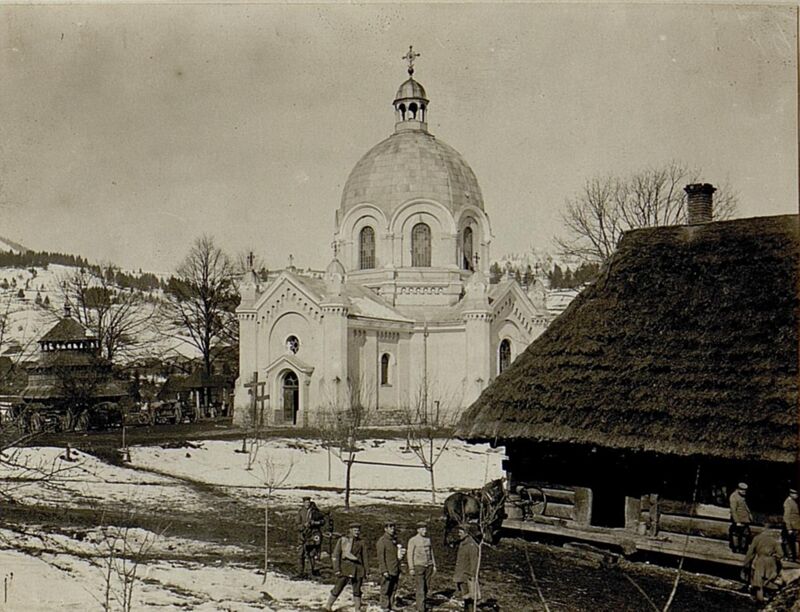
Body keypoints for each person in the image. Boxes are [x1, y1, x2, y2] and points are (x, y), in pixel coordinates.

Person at [324, 523, 368, 612]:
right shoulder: (343, 540)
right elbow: (336, 555)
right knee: (338, 587)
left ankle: (357, 609)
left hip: (357, 569)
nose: (357, 532)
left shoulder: (361, 542)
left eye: (358, 530)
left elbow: (365, 557)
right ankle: (328, 606)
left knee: (357, 590)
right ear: (350, 530)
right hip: (345, 569)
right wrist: (336, 569)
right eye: (355, 530)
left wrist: (366, 570)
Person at [743, 526, 783, 602]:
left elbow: (750, 552)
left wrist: (746, 563)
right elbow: (781, 554)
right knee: (770, 579)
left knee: (759, 583)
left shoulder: (757, 538)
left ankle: (760, 600)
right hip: (771, 561)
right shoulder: (774, 540)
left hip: (760, 561)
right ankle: (771, 598)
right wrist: (774, 557)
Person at [407, 521, 436, 612]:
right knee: (420, 588)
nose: (425, 531)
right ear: (418, 530)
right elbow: (409, 554)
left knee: (426, 587)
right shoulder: (413, 540)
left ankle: (423, 604)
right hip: (419, 566)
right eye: (423, 529)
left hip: (429, 566)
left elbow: (431, 553)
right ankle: (421, 608)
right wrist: (411, 567)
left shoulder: (428, 540)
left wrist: (434, 565)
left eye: (425, 528)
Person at [296, 496, 326, 577]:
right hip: (303, 535)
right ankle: (300, 572)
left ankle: (310, 571)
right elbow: (297, 524)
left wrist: (315, 523)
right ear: (303, 503)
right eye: (305, 502)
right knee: (300, 554)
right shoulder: (300, 512)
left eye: (308, 502)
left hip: (313, 534)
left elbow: (323, 521)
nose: (307, 504)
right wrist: (303, 526)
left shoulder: (315, 511)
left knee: (312, 554)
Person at [376, 521, 402, 611]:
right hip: (387, 570)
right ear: (385, 529)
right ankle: (385, 606)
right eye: (390, 527)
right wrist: (384, 571)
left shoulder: (394, 540)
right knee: (385, 589)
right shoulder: (382, 541)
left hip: (395, 568)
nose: (392, 529)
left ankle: (391, 604)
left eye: (393, 527)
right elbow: (381, 558)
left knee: (394, 588)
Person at [453, 526, 479, 612]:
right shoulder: (463, 543)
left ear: (466, 533)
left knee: (469, 598)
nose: (458, 534)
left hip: (466, 576)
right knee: (466, 599)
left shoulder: (471, 545)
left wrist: (472, 576)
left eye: (460, 532)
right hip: (461, 575)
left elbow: (474, 562)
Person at [729, 482, 753, 554]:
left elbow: (745, 507)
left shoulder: (741, 496)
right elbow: (733, 510)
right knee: (736, 534)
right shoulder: (734, 497)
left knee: (745, 535)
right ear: (738, 489)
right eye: (742, 490)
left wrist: (749, 516)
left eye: (745, 490)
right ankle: (736, 548)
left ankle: (742, 549)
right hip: (739, 520)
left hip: (744, 520)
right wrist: (737, 521)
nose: (744, 492)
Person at [782, 488, 800, 561]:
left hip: (795, 526)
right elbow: (786, 516)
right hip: (791, 526)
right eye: (796, 494)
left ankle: (794, 557)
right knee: (789, 542)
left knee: (794, 542)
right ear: (791, 494)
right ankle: (791, 557)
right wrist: (789, 528)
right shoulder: (788, 502)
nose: (797, 496)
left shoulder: (793, 502)